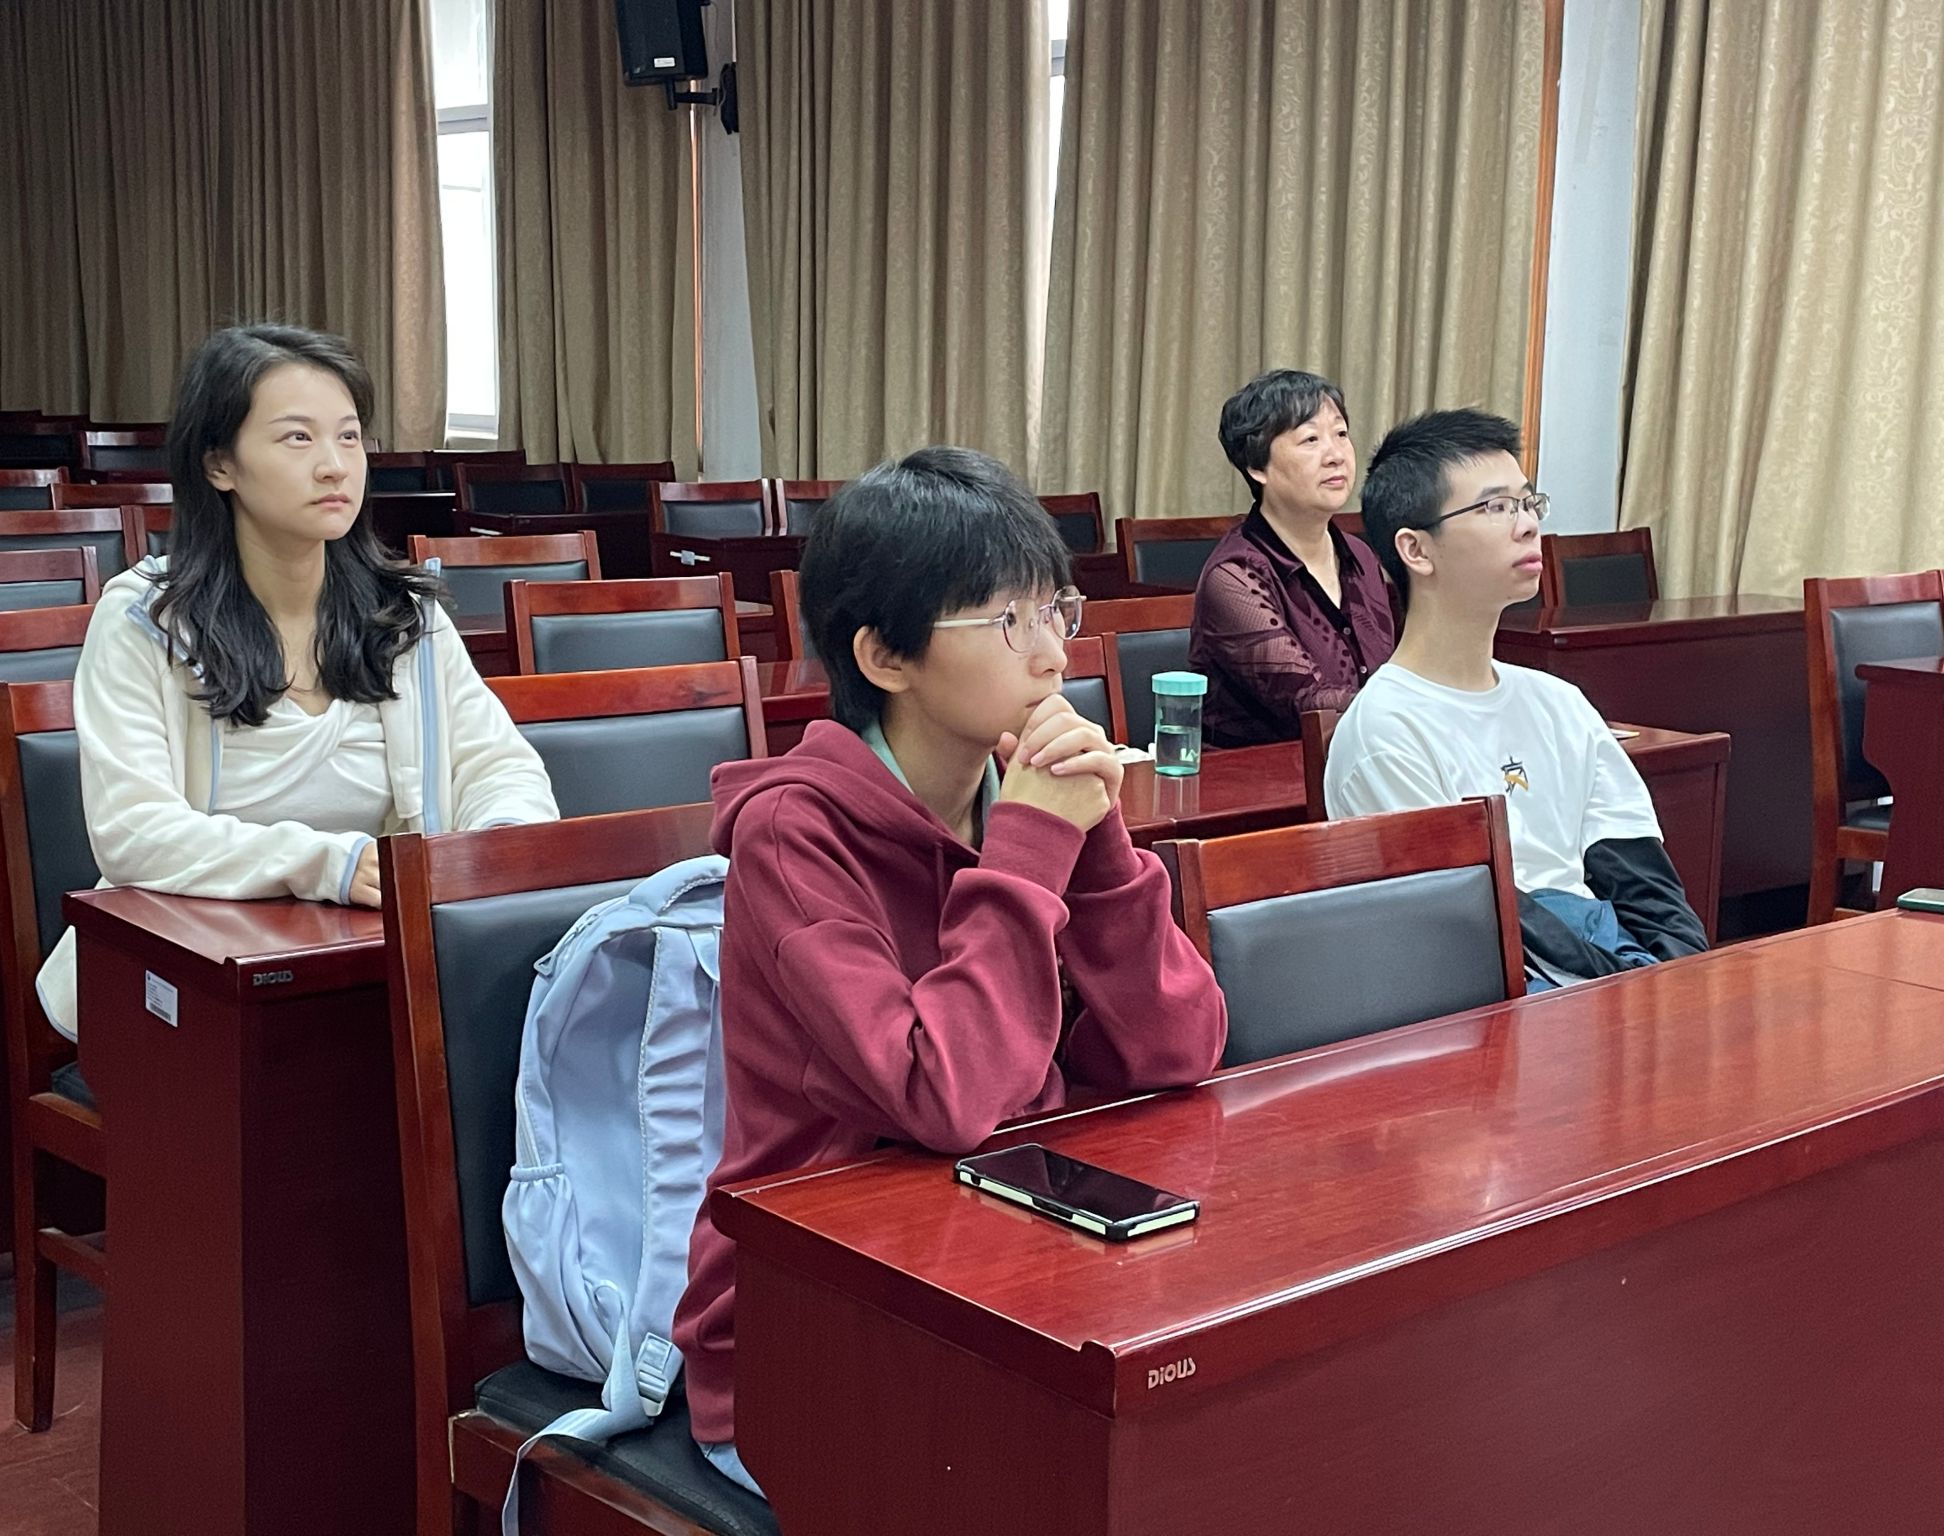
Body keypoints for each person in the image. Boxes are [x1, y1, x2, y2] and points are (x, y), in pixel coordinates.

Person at [674, 447, 1228, 1497]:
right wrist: (1032, 847)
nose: (1053, 656)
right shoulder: (792, 837)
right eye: (1007, 621)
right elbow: (941, 1097)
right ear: (886, 656)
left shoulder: (1014, 794)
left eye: (1055, 610)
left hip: (1010, 1263)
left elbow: (1181, 1047)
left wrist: (1099, 846)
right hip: (811, 1324)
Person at [36, 324, 557, 1044]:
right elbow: (134, 833)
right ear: (220, 463)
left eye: (349, 437)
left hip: (375, 967)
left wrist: (493, 854)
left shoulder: (403, 614)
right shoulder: (146, 620)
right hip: (189, 978)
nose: (334, 466)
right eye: (297, 439)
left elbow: (498, 767)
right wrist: (329, 865)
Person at [1325, 408, 1706, 985]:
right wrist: (1629, 989)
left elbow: (1643, 881)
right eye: (1495, 507)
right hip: (1497, 992)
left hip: (1604, 978)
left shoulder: (1559, 703)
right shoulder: (1386, 732)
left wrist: (1677, 980)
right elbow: (1475, 920)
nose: (1527, 525)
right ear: (1416, 550)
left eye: (1528, 503)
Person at [1187, 368, 1398, 747]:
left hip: (1361, 757)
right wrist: (1419, 705)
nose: (1336, 455)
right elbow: (1309, 703)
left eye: (1341, 434)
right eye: (1311, 439)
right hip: (1262, 776)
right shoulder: (1234, 576)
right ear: (1257, 467)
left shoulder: (1361, 556)